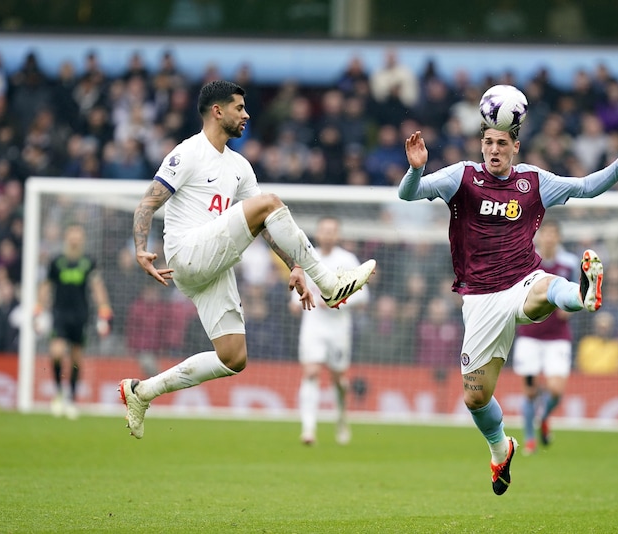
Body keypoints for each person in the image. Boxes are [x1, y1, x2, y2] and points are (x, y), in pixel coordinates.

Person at [399, 105, 618, 495]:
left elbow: (585, 187)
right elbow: (408, 194)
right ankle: (501, 448)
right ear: (481, 145)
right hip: (480, 298)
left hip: (522, 279)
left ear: (515, 147)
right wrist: (416, 167)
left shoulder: (534, 182)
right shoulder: (461, 176)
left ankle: (582, 293)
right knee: (475, 397)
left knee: (546, 290)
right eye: (488, 142)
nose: (494, 149)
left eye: (502, 143)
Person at [118, 80, 376, 439]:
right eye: (239, 107)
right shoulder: (187, 153)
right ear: (217, 111)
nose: (246, 114)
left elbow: (268, 225)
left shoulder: (239, 166)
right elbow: (148, 202)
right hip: (188, 252)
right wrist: (140, 248)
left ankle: (142, 391)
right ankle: (329, 283)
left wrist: (294, 265)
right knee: (270, 201)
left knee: (233, 358)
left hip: (211, 266)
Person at [289, 216, 369, 446]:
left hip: (339, 328)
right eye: (324, 230)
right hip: (312, 326)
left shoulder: (347, 259)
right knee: (311, 372)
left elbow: (363, 296)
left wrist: (336, 300)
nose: (328, 234)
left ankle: (342, 418)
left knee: (339, 380)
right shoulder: (306, 259)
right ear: (317, 233)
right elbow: (295, 297)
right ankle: (308, 430)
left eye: (332, 230)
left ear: (338, 234)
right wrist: (296, 303)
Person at [512, 218, 580, 456]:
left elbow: (580, 292)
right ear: (539, 236)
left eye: (553, 234)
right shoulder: (529, 259)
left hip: (557, 337)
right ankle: (529, 440)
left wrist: (571, 309)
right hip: (529, 336)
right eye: (546, 233)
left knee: (555, 390)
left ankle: (544, 417)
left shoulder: (570, 263)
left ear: (558, 237)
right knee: (530, 392)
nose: (549, 238)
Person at [35, 224, 113, 420]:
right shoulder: (57, 262)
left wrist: (104, 310)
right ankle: (59, 393)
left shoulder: (88, 262)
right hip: (60, 315)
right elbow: (46, 286)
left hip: (80, 316)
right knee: (57, 352)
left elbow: (97, 287)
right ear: (66, 237)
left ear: (83, 239)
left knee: (77, 359)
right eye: (72, 235)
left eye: (78, 235)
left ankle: (71, 398)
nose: (75, 239)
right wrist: (38, 309)